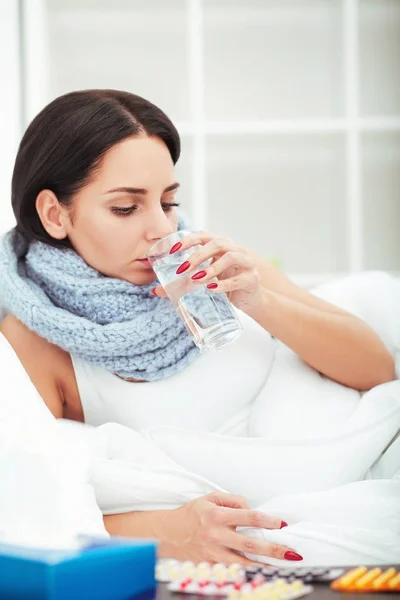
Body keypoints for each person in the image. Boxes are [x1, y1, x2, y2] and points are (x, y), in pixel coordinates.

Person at [0, 89, 394, 565]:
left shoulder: (213, 265)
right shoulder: (33, 343)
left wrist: (258, 301)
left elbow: (379, 372)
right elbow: (32, 508)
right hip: (264, 538)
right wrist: (168, 531)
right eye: (126, 208)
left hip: (360, 473)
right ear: (54, 214)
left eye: (167, 202)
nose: (162, 230)